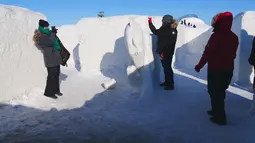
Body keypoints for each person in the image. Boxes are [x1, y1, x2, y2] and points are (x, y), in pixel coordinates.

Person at [194, 12, 239, 125]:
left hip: (216, 70)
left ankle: (220, 117)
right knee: (220, 91)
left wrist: (199, 65)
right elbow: (233, 54)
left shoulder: (216, 36)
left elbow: (208, 53)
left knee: (214, 92)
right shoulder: (234, 37)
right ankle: (216, 111)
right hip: (228, 69)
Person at [33, 19, 63, 99]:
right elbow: (51, 42)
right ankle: (48, 92)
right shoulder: (40, 35)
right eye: (46, 26)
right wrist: (53, 33)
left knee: (56, 74)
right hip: (50, 58)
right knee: (51, 76)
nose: (47, 28)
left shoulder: (48, 33)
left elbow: (54, 41)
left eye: (48, 26)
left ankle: (56, 90)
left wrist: (53, 33)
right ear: (42, 27)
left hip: (55, 57)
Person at [148, 15, 178, 90]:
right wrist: (150, 23)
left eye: (163, 20)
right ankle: (167, 82)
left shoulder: (168, 29)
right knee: (166, 68)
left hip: (166, 53)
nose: (162, 22)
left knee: (167, 68)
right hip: (166, 52)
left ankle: (170, 84)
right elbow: (156, 32)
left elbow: (168, 43)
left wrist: (163, 53)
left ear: (165, 21)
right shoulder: (169, 29)